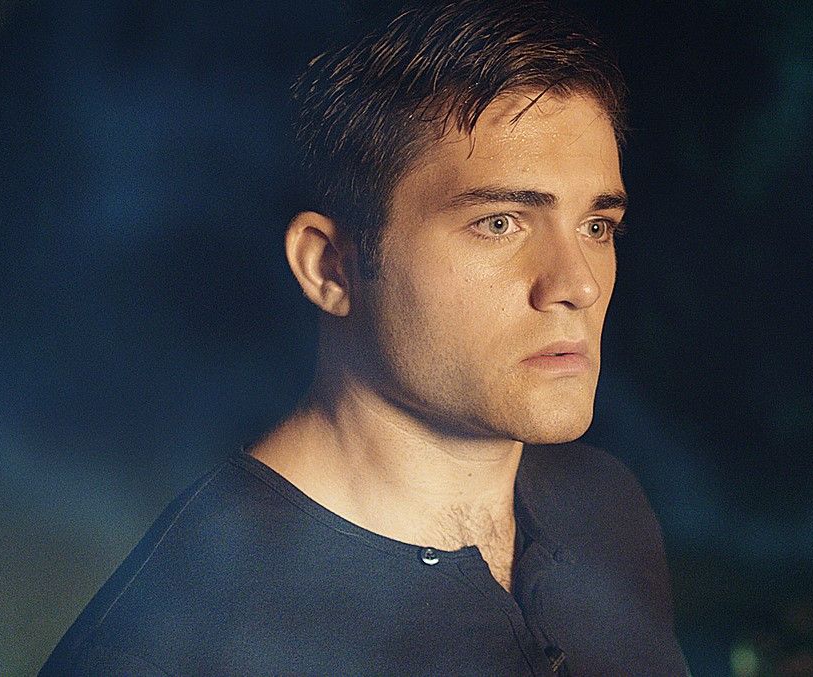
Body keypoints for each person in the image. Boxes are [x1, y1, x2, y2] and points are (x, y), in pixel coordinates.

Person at [40, 1, 689, 674]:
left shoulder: (604, 507)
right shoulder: (179, 641)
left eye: (596, 227)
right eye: (499, 222)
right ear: (330, 266)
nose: (578, 284)